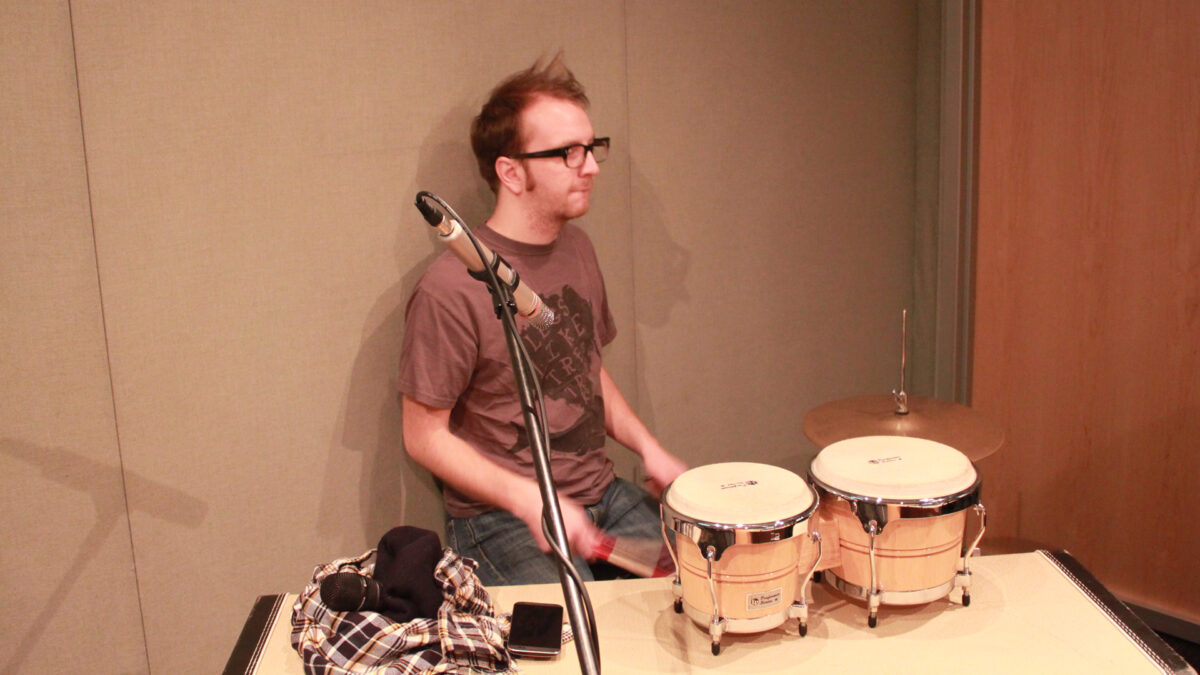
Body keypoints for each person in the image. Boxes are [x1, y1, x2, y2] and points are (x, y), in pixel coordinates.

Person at [398, 54, 688, 586]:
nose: (592, 167)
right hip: (501, 518)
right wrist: (528, 498)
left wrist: (648, 449)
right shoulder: (450, 287)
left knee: (705, 582)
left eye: (591, 148)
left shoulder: (576, 249)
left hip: (601, 494)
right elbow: (423, 437)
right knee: (572, 644)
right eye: (568, 153)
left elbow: (585, 369)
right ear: (511, 171)